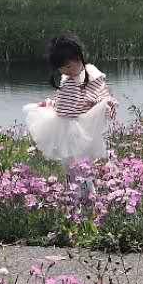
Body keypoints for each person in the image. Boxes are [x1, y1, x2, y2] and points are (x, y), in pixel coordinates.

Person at [24, 34, 117, 196]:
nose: (66, 71)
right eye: (62, 69)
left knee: (82, 166)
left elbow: (103, 96)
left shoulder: (91, 76)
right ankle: (75, 197)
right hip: (63, 126)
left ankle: (89, 198)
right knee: (70, 165)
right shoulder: (68, 78)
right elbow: (62, 100)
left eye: (68, 66)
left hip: (80, 129)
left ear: (78, 57)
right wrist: (50, 104)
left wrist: (107, 105)